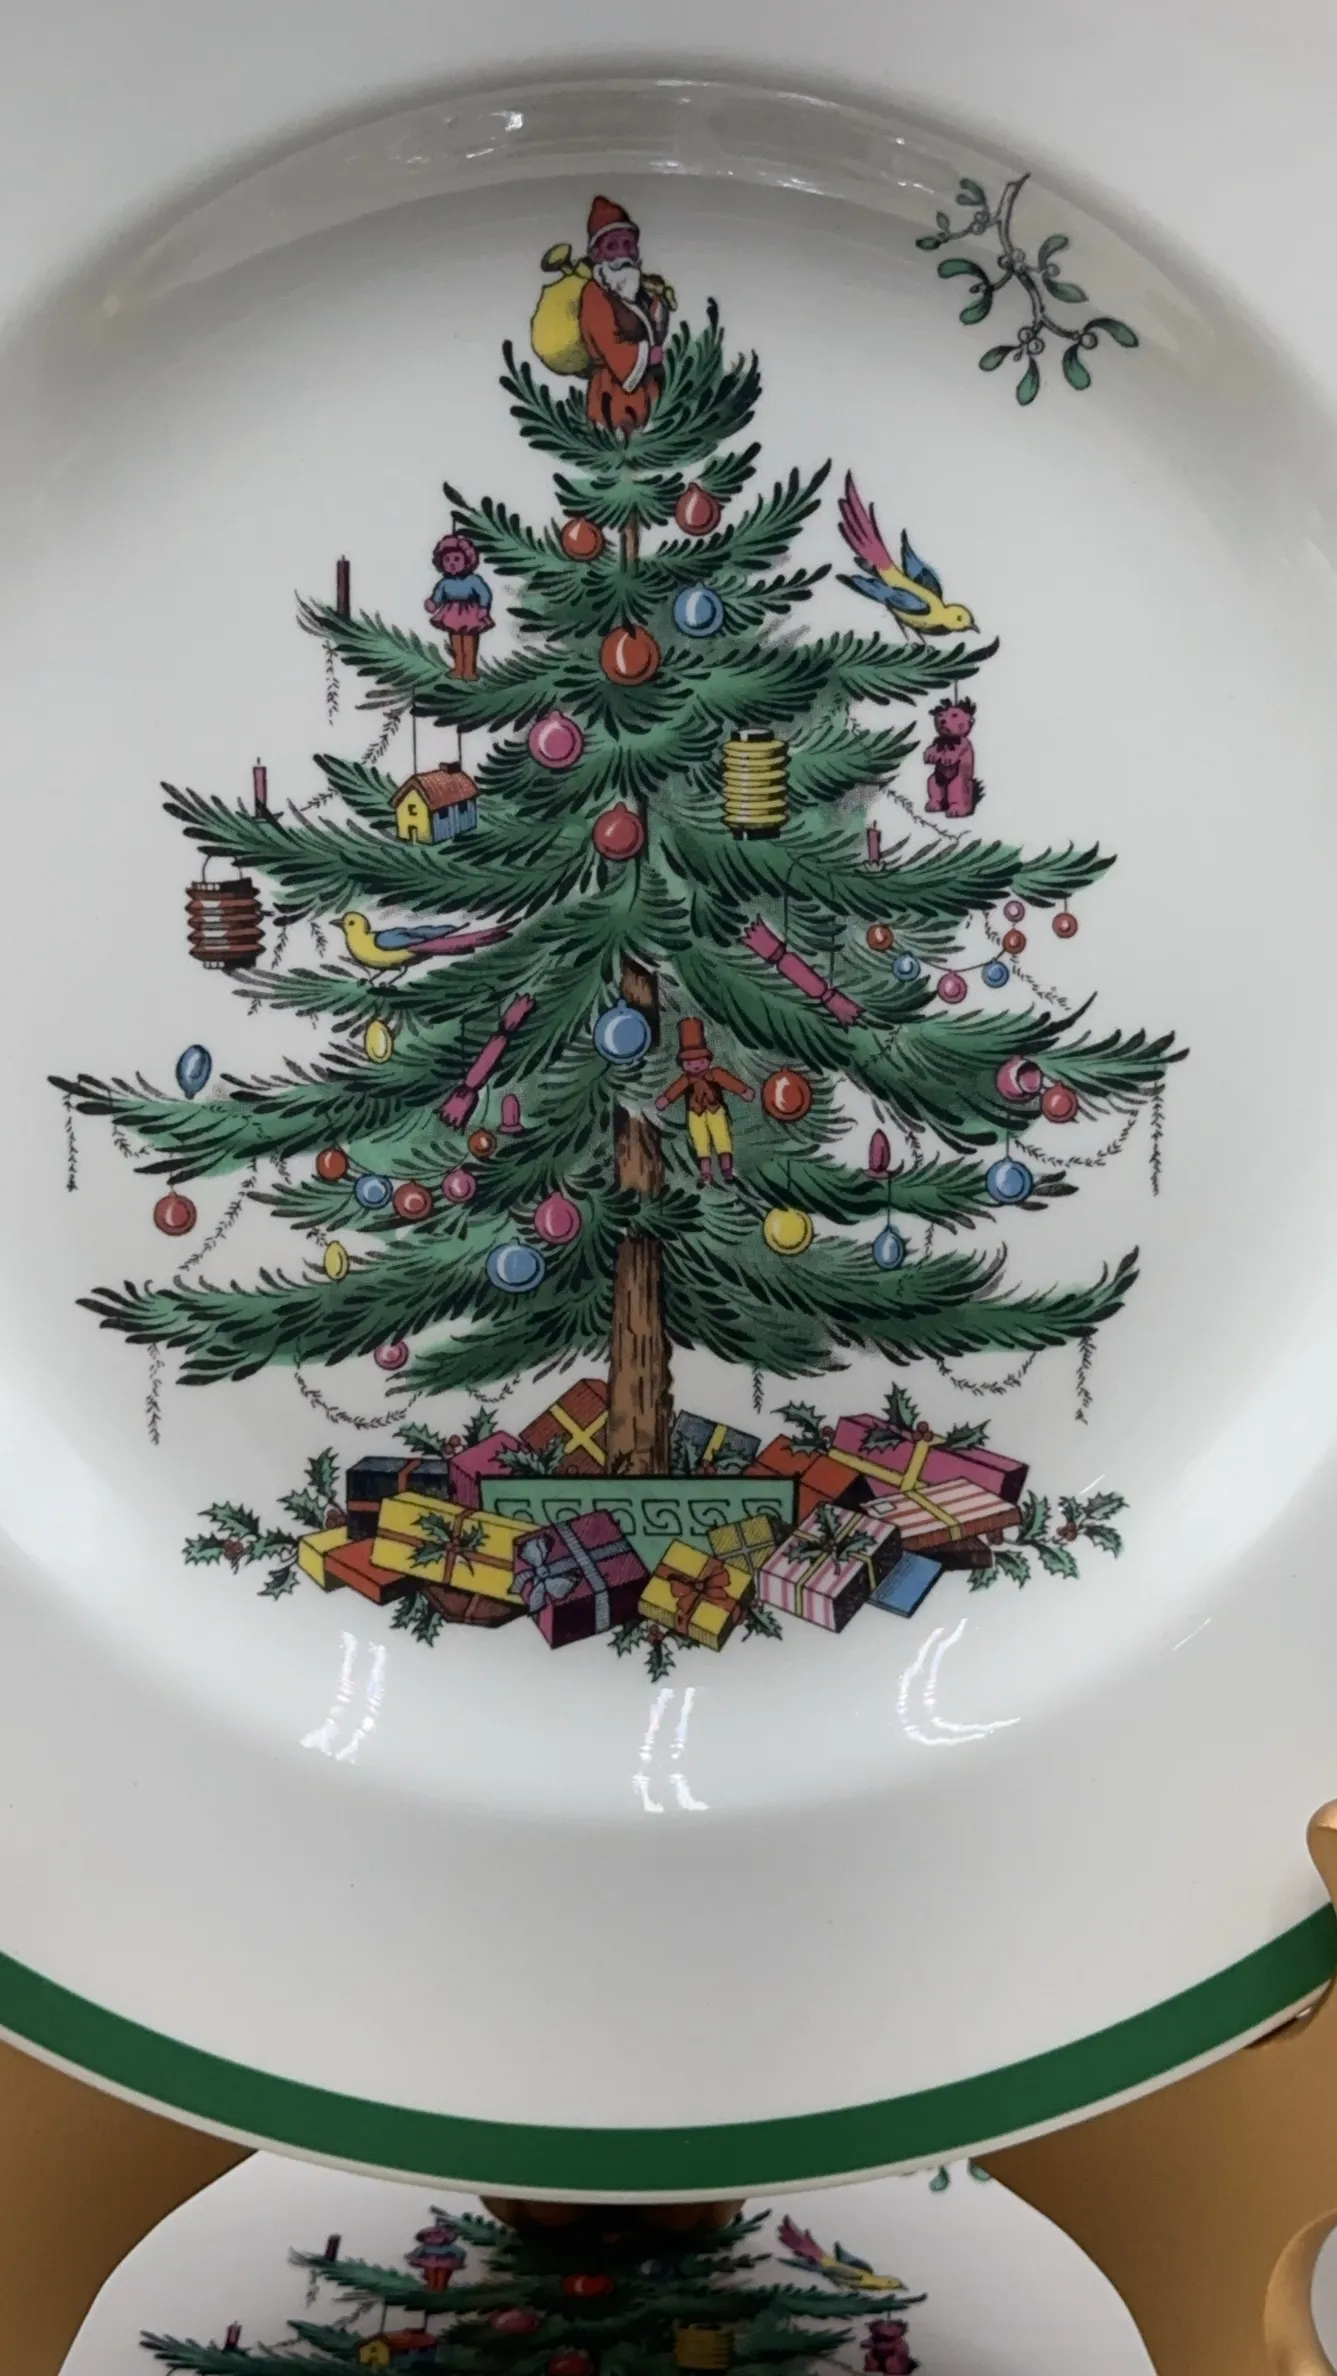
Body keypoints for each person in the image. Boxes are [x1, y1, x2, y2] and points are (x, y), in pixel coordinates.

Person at [577, 196, 673, 432]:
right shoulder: (595, 293)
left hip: (648, 387)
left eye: (628, 244)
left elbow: (652, 324)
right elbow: (608, 341)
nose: (623, 253)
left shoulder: (637, 288)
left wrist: (658, 304)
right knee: (620, 435)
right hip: (613, 393)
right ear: (597, 255)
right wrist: (646, 356)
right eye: (612, 246)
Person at [656, 1018, 754, 1186]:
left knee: (722, 1139)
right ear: (683, 1064)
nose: (695, 1066)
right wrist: (665, 1100)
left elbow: (729, 1081)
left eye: (700, 1061)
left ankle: (727, 1171)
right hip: (695, 1113)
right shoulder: (686, 1080)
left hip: (716, 1110)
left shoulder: (715, 1074)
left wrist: (743, 1091)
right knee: (701, 1143)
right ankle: (706, 1174)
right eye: (689, 1062)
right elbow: (675, 1090)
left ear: (708, 1060)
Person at [425, 529, 493, 679]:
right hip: (451, 613)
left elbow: (484, 593)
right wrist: (432, 603)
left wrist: (484, 607)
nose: (452, 564)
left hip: (470, 613)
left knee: (468, 643)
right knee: (456, 644)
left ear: (467, 560)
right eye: (447, 560)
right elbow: (438, 596)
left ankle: (469, 670)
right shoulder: (445, 582)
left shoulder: (473, 580)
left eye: (456, 559)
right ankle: (458, 668)